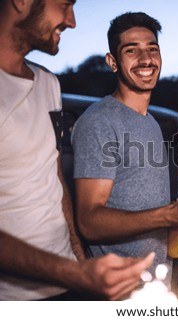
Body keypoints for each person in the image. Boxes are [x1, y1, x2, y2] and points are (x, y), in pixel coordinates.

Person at [0, 0, 154, 300]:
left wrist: (79, 262)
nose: (72, 21)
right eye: (65, 5)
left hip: (70, 284)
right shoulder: (98, 120)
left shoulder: (48, 84)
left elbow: (54, 178)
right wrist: (72, 272)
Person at [71, 12, 178, 286]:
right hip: (119, 289)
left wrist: (175, 211)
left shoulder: (150, 122)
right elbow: (89, 222)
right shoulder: (99, 121)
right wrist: (169, 214)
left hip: (156, 284)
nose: (146, 59)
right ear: (112, 62)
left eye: (152, 49)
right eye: (132, 50)